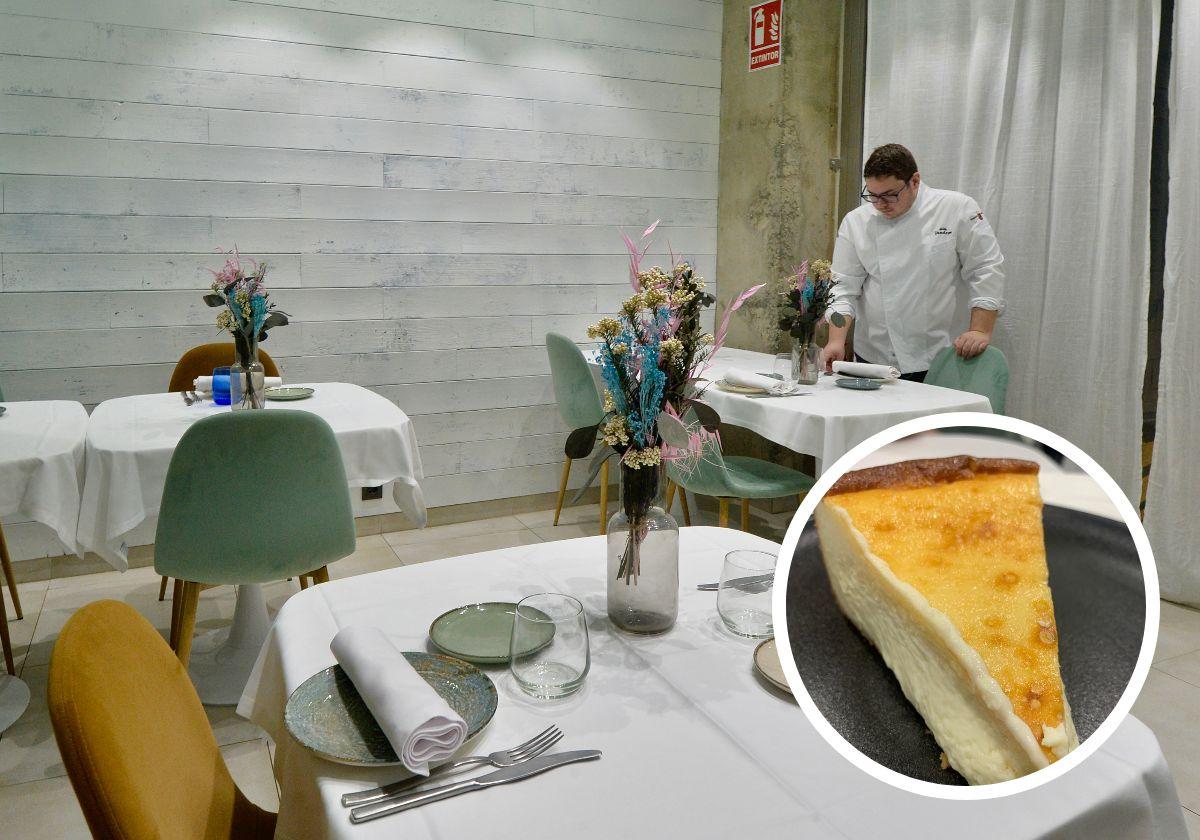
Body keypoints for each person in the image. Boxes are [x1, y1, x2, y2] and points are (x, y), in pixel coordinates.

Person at [821, 143, 1005, 382]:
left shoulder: (955, 208)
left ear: (915, 181)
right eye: (873, 196)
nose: (881, 204)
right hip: (874, 357)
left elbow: (986, 268)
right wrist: (836, 340)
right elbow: (843, 288)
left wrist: (980, 330)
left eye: (890, 195)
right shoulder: (856, 222)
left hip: (940, 355)